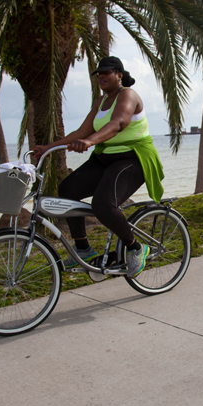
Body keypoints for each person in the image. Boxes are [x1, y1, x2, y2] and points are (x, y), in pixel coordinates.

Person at [32, 56, 164, 278]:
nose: (101, 76)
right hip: (105, 158)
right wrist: (48, 147)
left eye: (107, 72)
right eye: (98, 74)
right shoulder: (100, 103)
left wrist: (91, 141)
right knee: (67, 191)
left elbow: (119, 123)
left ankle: (136, 248)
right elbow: (80, 133)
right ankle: (84, 249)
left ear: (119, 75)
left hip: (132, 158)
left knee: (103, 204)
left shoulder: (128, 95)